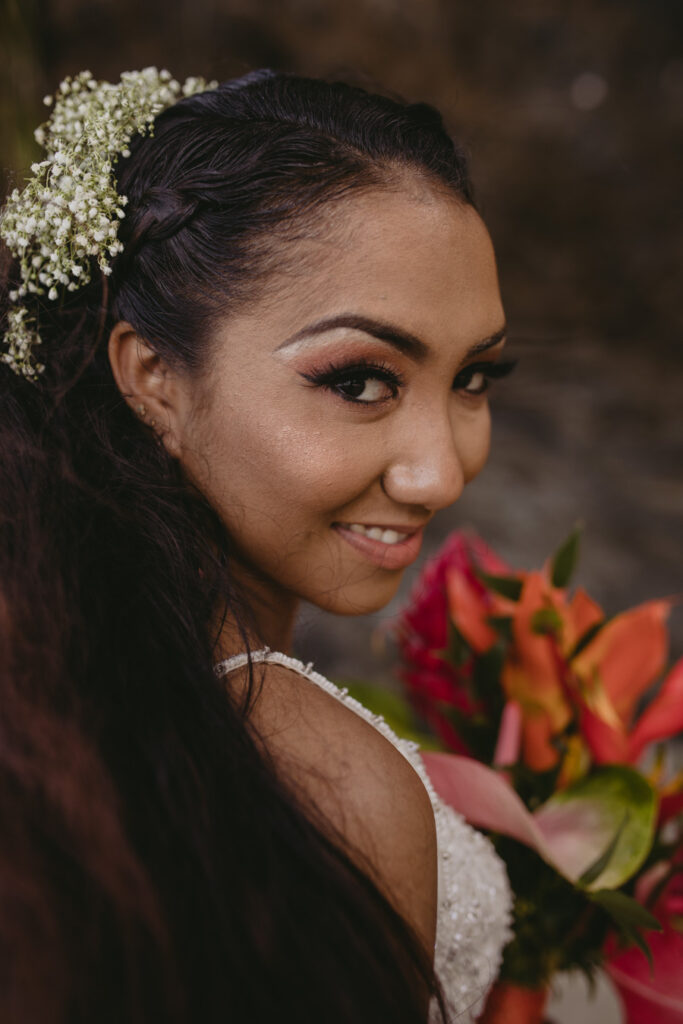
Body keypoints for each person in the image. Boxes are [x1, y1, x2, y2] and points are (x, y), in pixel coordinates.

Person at [0, 68, 515, 1023]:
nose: (440, 473)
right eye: (361, 381)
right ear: (153, 374)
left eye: (475, 377)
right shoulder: (332, 793)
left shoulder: (63, 669)